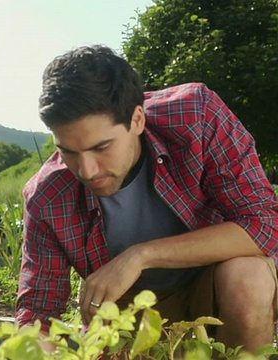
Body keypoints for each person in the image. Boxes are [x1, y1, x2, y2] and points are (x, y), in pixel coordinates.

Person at [16, 45, 278, 353]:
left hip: (211, 286)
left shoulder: (196, 116)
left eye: (102, 147)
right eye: (68, 152)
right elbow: (38, 310)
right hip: (128, 310)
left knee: (248, 278)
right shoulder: (47, 195)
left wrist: (140, 256)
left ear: (137, 120)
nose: (86, 170)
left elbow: (264, 225)